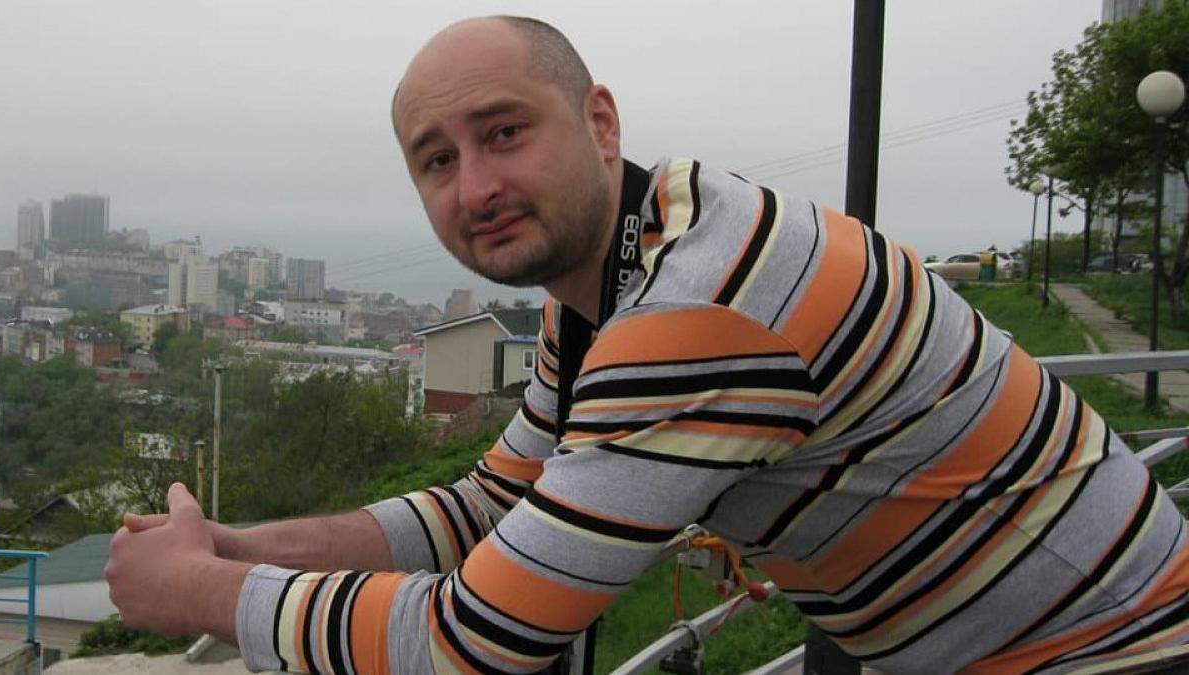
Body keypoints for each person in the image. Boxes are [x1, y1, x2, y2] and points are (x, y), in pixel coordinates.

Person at [106, 16, 1189, 674]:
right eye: (436, 160)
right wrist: (242, 548)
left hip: (1111, 648)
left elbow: (473, 644)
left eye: (504, 132)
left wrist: (195, 594)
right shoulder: (623, 270)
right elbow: (489, 505)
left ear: (600, 123)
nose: (475, 186)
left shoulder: (693, 311)